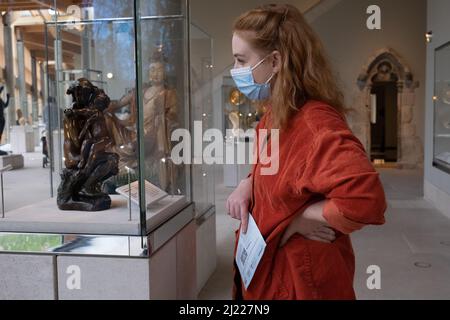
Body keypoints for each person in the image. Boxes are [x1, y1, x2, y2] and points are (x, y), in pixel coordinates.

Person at [226, 4, 387, 300]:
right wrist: (247, 183)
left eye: (241, 60)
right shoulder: (274, 114)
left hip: (302, 281)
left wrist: (300, 220)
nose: (236, 70)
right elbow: (274, 167)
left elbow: (365, 200)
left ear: (275, 61)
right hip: (271, 272)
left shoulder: (315, 123)